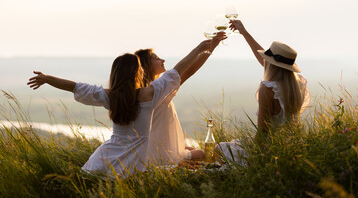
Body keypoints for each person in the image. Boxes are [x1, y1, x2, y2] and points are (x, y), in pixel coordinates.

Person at [27, 33, 227, 177]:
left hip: (102, 160)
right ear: (138, 73)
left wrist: (47, 78)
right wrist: (200, 48)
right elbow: (178, 71)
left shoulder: (111, 96)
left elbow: (76, 87)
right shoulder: (149, 94)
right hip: (133, 165)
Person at [216, 20, 310, 164]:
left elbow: (262, 134)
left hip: (270, 150)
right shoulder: (297, 84)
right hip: (291, 144)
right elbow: (266, 62)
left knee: (219, 149)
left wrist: (255, 161)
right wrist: (244, 32)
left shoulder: (268, 89)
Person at [134, 45, 219, 164]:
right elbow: (189, 71)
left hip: (152, 149)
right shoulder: (158, 91)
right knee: (207, 154)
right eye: (157, 59)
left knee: (190, 148)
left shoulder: (143, 90)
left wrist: (211, 48)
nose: (162, 60)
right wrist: (209, 48)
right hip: (162, 154)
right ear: (147, 65)